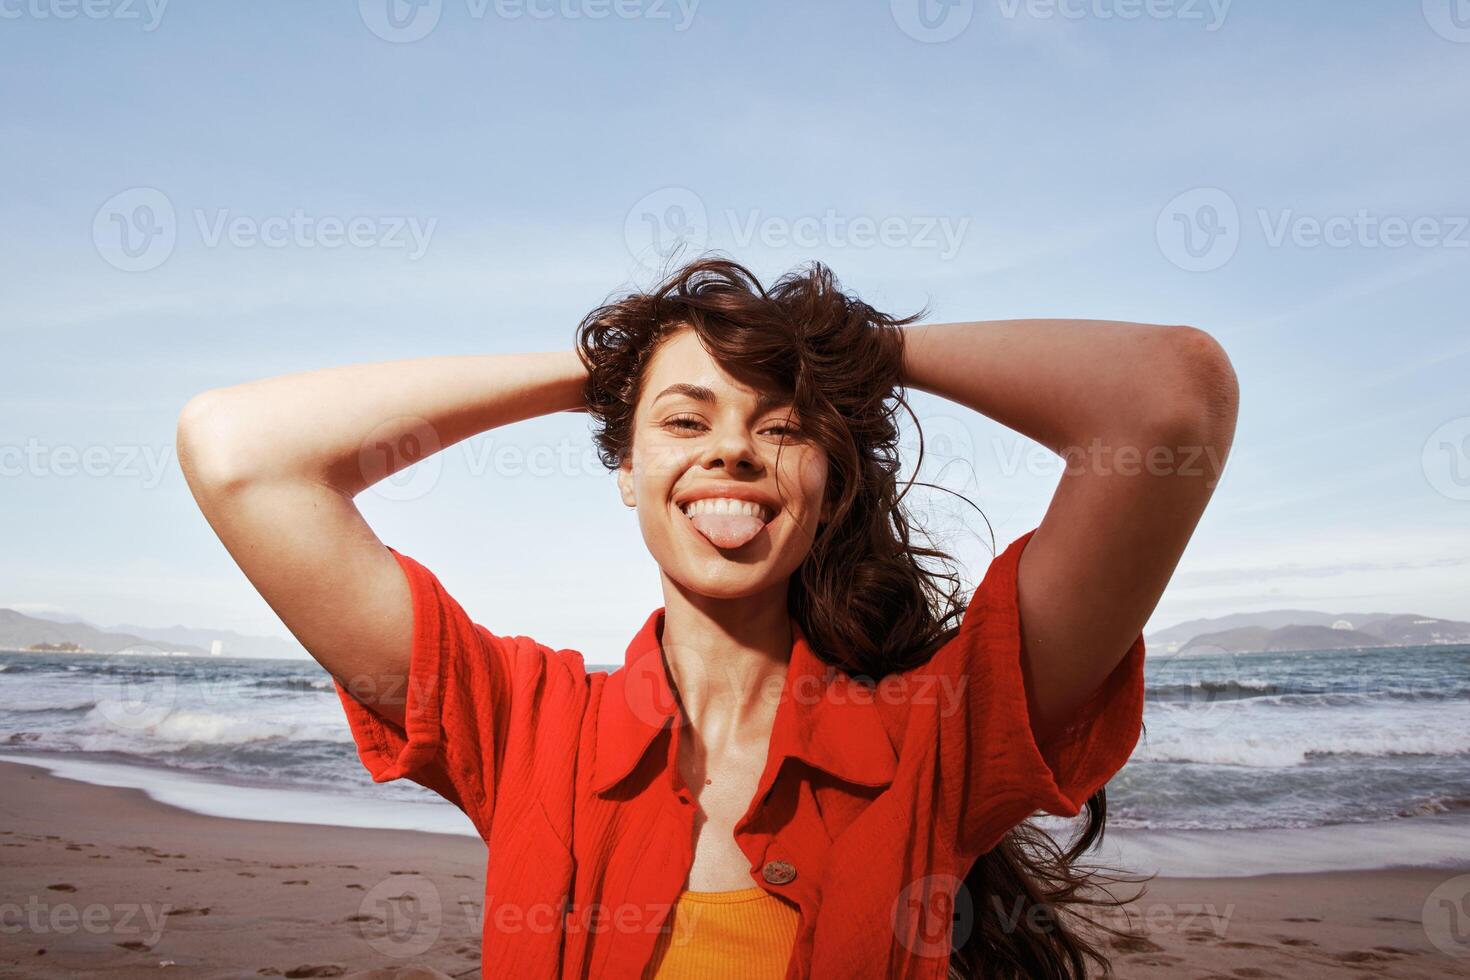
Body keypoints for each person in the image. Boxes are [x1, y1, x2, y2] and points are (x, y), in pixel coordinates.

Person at [176, 256, 1238, 979]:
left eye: (781, 427)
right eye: (686, 419)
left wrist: (857, 349)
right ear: (628, 473)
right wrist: (608, 367)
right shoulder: (526, 724)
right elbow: (238, 452)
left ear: (828, 483)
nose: (731, 448)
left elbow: (1169, 400)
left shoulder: (934, 739)